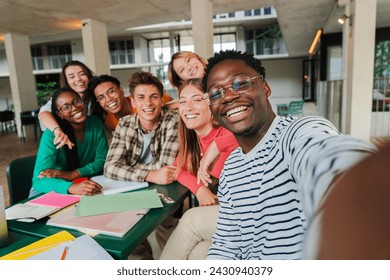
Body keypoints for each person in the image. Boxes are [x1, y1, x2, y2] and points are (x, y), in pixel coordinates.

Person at [199, 50, 376, 260]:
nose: (228, 96)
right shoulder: (231, 167)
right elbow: (227, 244)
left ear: (265, 88)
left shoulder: (296, 132)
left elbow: (326, 155)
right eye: (216, 93)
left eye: (240, 83)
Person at [159, 78, 238, 260]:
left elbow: (249, 132)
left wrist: (218, 145)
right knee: (198, 253)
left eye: (196, 99)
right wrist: (200, 189)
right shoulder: (193, 140)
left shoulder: (228, 132)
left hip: (244, 216)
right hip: (221, 217)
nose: (188, 107)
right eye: (182, 101)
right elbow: (177, 169)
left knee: (190, 220)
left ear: (211, 104)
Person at [104, 71, 179, 184]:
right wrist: (149, 175)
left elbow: (166, 167)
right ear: (133, 102)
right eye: (141, 97)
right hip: (132, 186)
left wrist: (126, 167)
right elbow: (109, 168)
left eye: (154, 97)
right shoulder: (124, 124)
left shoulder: (173, 121)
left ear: (162, 100)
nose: (148, 103)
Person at [30, 88, 108, 196]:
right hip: (54, 188)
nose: (75, 108)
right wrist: (71, 187)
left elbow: (102, 159)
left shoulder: (95, 123)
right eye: (66, 107)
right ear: (59, 113)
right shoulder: (52, 134)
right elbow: (39, 181)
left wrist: (74, 174)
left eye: (76, 101)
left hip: (84, 184)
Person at [88, 74, 175, 133]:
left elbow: (178, 104)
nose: (108, 99)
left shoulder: (147, 97)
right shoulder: (110, 122)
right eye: (101, 97)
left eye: (111, 92)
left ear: (121, 90)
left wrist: (165, 107)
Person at [38, 60, 94, 150]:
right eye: (72, 77)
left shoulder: (97, 96)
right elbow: (44, 113)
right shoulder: (60, 99)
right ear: (66, 82)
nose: (78, 79)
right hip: (70, 147)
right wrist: (57, 130)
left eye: (82, 74)